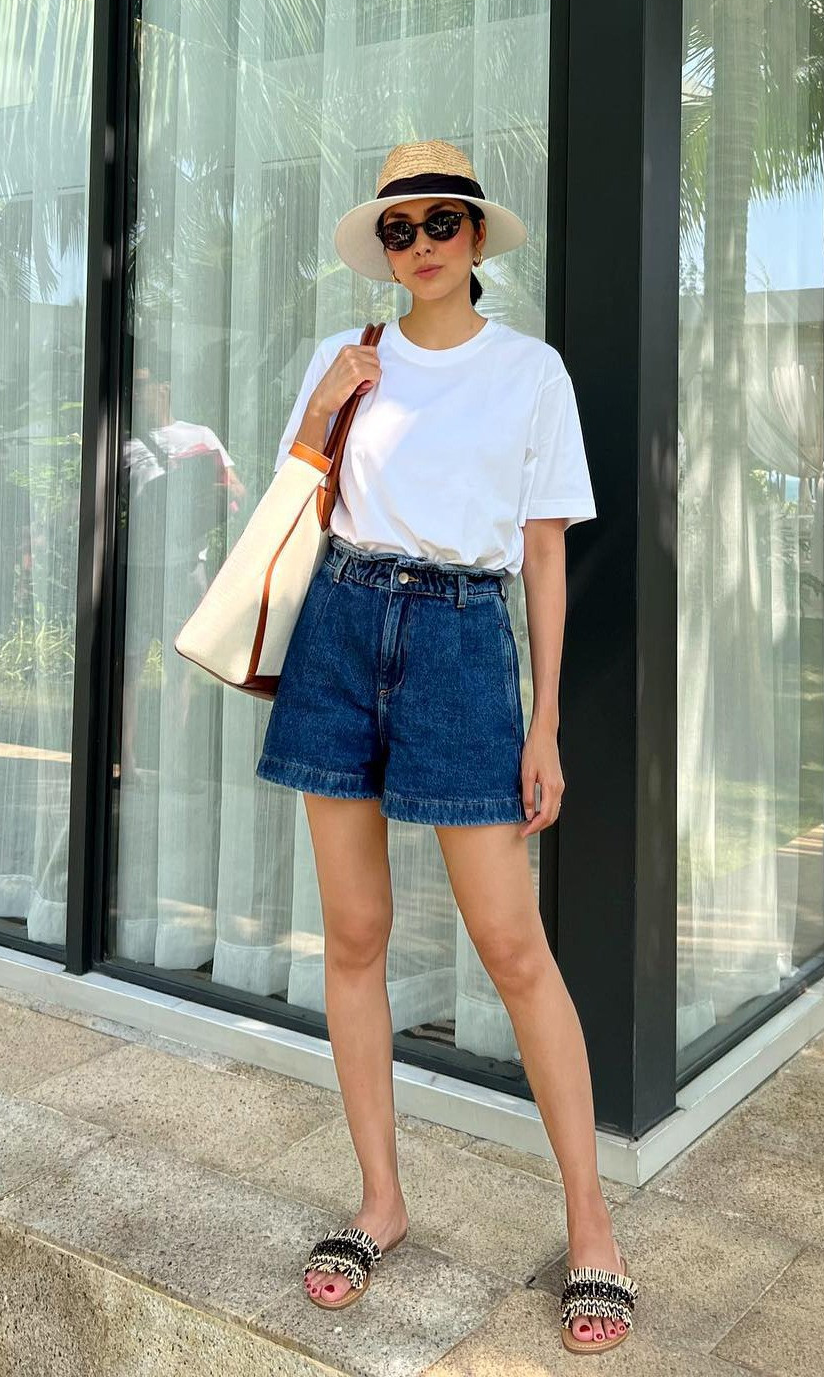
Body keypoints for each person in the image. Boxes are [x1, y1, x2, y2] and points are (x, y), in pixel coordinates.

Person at [255, 139, 636, 1354]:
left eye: (440, 224)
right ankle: (380, 1201)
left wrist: (545, 720)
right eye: (399, 229)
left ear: (475, 237)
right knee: (354, 935)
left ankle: (591, 1228)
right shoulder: (345, 356)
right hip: (340, 628)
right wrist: (328, 404)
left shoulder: (530, 372)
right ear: (383, 247)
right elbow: (295, 502)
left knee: (513, 945)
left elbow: (545, 554)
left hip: (466, 645)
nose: (420, 245)